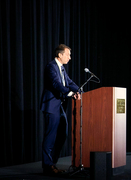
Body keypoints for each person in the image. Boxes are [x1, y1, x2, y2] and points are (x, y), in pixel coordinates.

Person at [40, 44, 81, 174]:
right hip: (51, 106)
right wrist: (70, 93)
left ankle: (53, 163)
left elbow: (69, 82)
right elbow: (55, 84)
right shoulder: (51, 67)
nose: (70, 57)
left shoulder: (62, 68)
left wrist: (80, 91)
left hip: (60, 107)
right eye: (68, 55)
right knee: (51, 136)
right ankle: (48, 166)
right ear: (60, 55)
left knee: (63, 134)